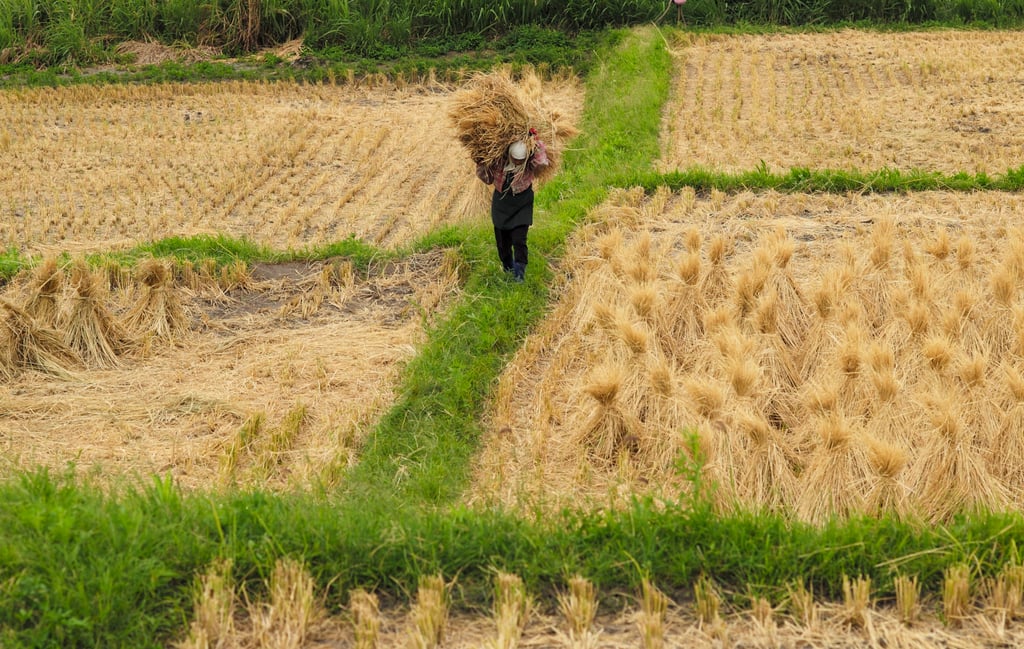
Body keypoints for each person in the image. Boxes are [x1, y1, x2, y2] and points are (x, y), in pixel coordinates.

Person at [475, 129, 548, 282]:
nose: (518, 163)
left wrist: (534, 141)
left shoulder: (530, 161)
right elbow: (487, 179)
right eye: (515, 159)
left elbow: (542, 162)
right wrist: (480, 159)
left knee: (519, 239)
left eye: (520, 160)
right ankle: (507, 265)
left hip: (523, 201)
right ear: (509, 155)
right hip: (502, 202)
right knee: (502, 239)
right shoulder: (498, 161)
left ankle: (520, 271)